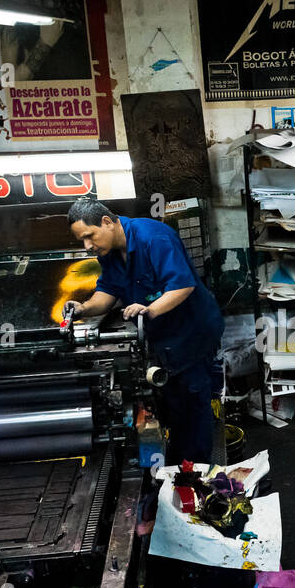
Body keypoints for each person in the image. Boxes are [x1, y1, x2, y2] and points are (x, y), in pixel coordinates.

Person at [67, 198, 223, 464]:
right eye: (82, 240)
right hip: (162, 339)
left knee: (195, 404)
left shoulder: (154, 237)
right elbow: (107, 293)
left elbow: (182, 286)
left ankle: (198, 471)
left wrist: (148, 310)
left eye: (89, 237)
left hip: (191, 335)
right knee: (174, 404)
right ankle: (177, 463)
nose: (87, 246)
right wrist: (82, 308)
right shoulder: (109, 253)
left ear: (106, 222)